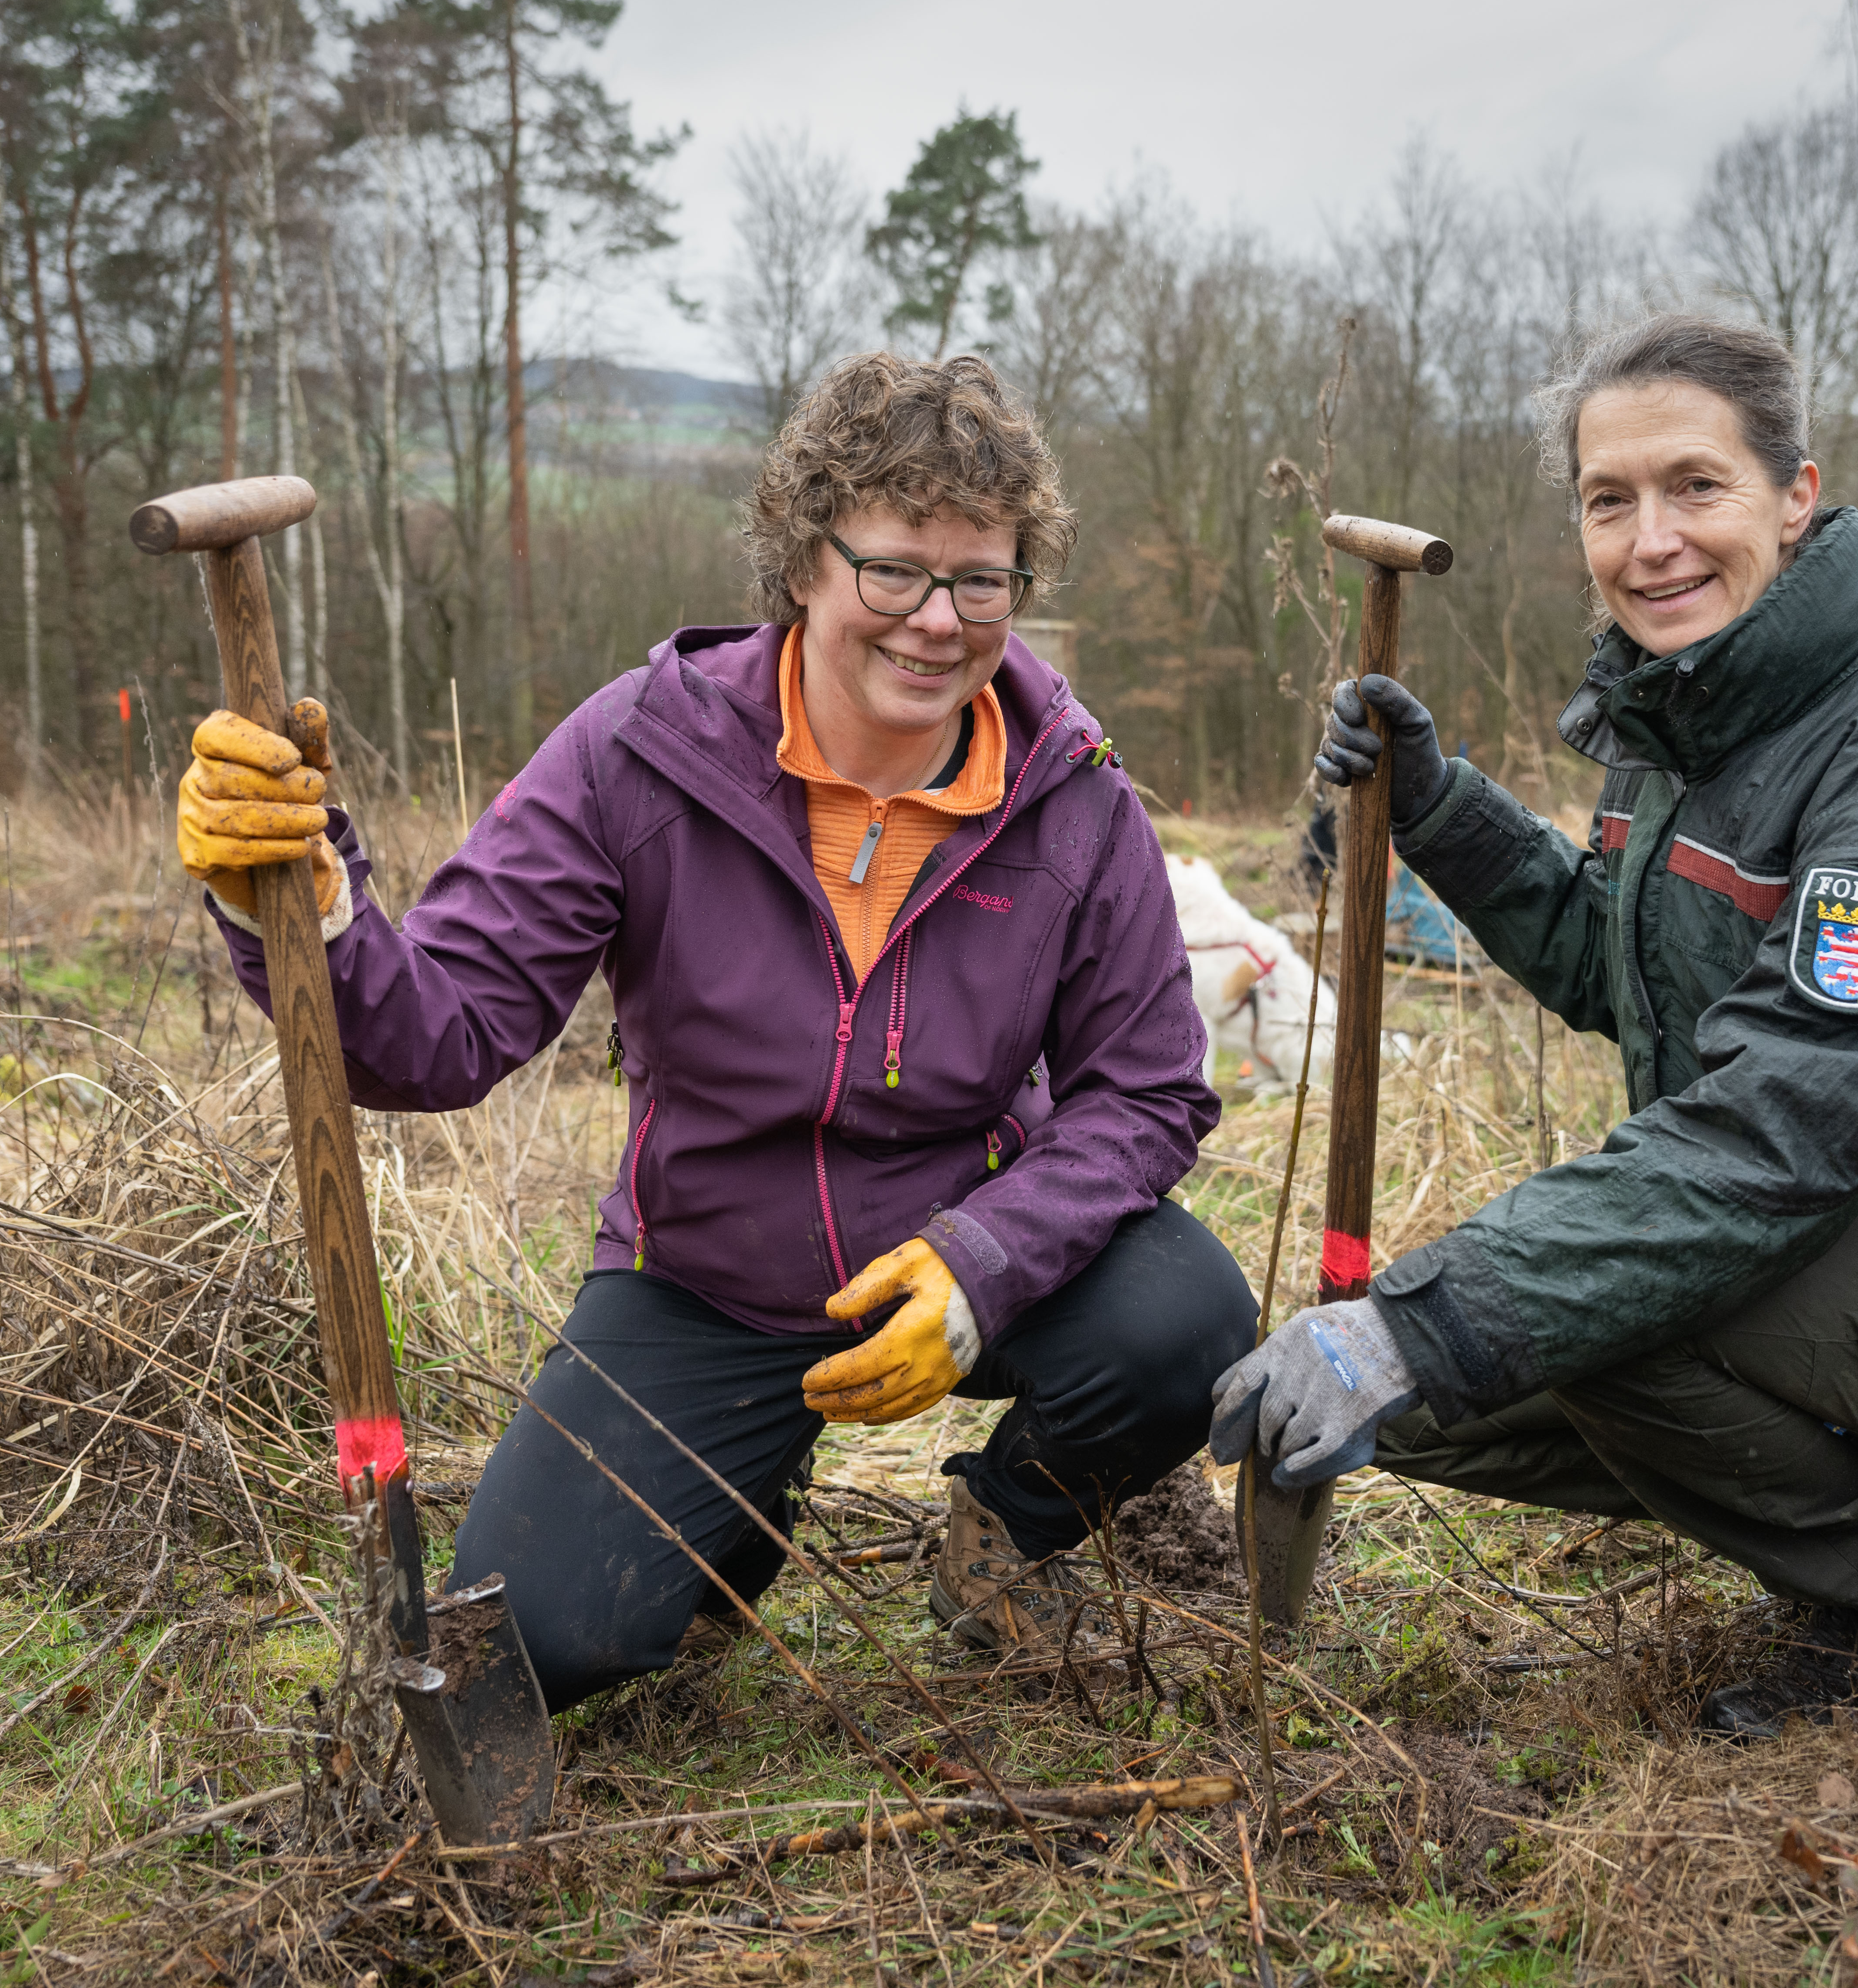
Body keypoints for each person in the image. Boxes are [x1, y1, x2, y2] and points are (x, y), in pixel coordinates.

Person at [179, 351, 1253, 1710]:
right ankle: (730, 1528)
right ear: (804, 560)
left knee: (1186, 1320)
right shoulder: (640, 754)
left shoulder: (1074, 799)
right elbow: (433, 1039)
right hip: (704, 1278)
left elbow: (1147, 1096)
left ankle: (1008, 1536)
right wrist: (313, 906)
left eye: (982, 581)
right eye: (895, 572)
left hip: (974, 1241)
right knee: (543, 1644)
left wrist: (981, 1268)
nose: (938, 621)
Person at [1210, 314, 1858, 1738]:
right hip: (1848, 1235)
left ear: (1795, 497)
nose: (1651, 541)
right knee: (1437, 1401)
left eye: (1697, 486)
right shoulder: (1681, 722)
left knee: (1573, 1324)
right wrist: (1439, 807)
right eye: (1609, 501)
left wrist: (1430, 1317)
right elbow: (1619, 969)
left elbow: (1776, 1136)